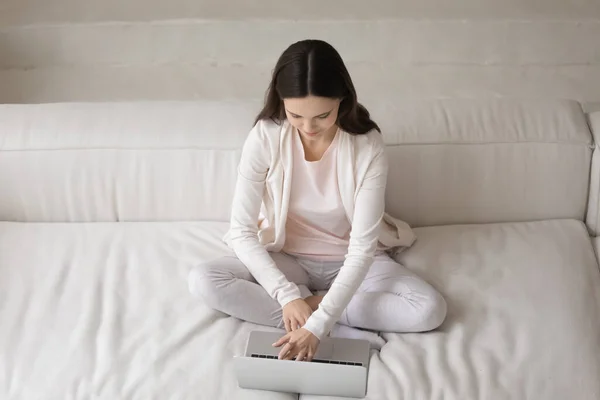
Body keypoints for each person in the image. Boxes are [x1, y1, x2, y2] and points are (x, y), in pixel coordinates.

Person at [188, 39, 446, 362]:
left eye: (322, 116)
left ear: (343, 99)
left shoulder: (368, 146)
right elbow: (241, 232)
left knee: (429, 309)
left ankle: (316, 315)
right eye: (295, 115)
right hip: (290, 259)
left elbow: (362, 249)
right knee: (203, 280)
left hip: (353, 262)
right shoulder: (264, 136)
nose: (308, 128)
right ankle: (326, 321)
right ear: (281, 101)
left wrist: (318, 317)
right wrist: (286, 296)